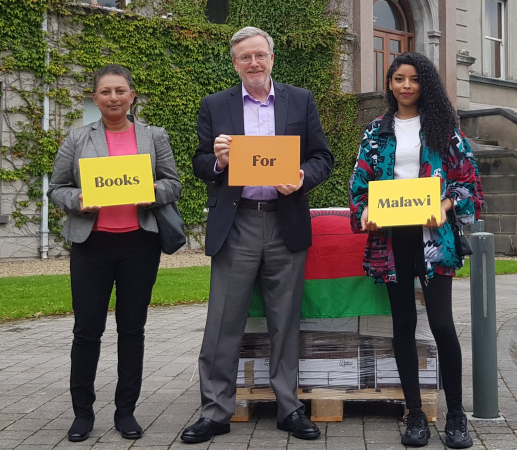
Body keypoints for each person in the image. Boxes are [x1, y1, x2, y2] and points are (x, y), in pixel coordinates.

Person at [183, 27, 334, 443]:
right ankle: (215, 411)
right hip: (238, 223)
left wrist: (302, 177)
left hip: (285, 222)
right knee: (222, 323)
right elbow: (198, 163)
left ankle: (289, 408)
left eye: (260, 55)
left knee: (284, 321)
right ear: (235, 63)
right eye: (245, 57)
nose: (253, 63)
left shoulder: (299, 100)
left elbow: (323, 157)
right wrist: (216, 161)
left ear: (272, 58)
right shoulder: (215, 105)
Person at [349, 52, 484, 448]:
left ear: (425, 83)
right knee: (403, 326)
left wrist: (444, 206)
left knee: (442, 324)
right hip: (391, 240)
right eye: (398, 79)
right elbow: (360, 184)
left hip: (433, 239)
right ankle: (414, 414)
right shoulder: (376, 131)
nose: (406, 86)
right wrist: (367, 212)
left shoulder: (444, 130)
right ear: (389, 84)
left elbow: (470, 184)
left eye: (413, 79)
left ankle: (457, 414)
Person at [48, 64, 182, 443]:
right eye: (105, 92)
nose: (113, 98)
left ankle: (126, 412)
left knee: (132, 330)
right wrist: (78, 199)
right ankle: (83, 413)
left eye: (120, 91)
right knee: (87, 331)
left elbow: (174, 184)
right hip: (92, 245)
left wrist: (153, 192)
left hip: (139, 243)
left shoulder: (153, 136)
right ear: (95, 98)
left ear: (132, 95)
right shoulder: (77, 138)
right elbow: (56, 187)